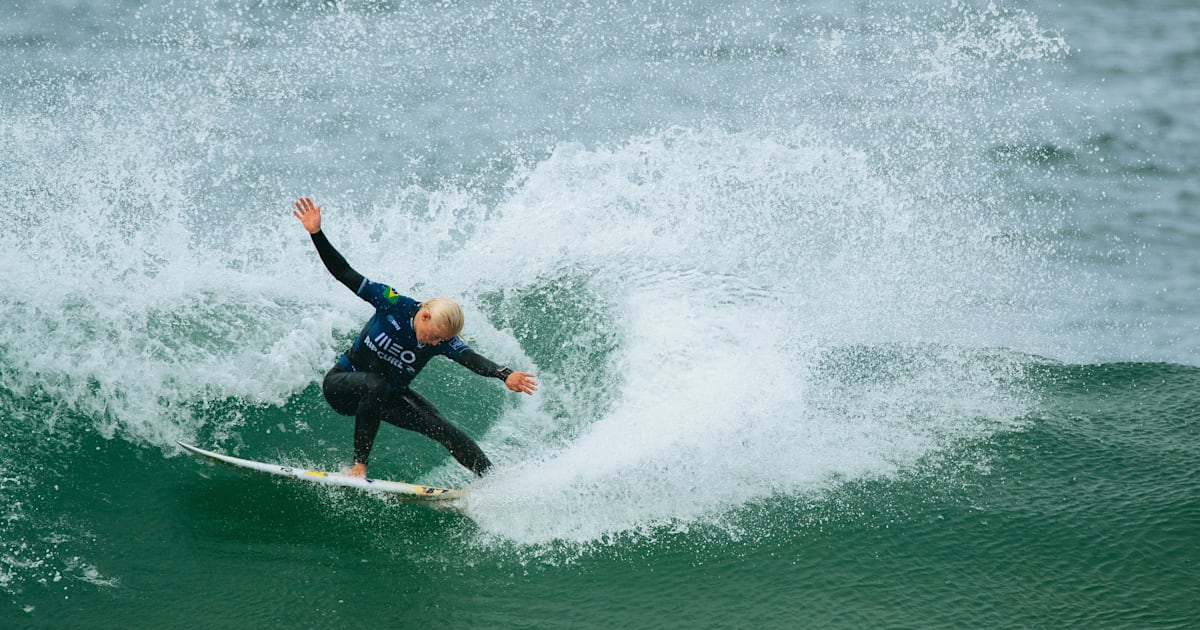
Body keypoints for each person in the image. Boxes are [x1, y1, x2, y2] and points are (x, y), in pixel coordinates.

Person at [292, 197, 537, 479]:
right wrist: (316, 234)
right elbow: (344, 273)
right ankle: (359, 465)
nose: (433, 345)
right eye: (433, 338)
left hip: (386, 395)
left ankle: (495, 481)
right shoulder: (391, 302)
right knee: (377, 384)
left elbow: (469, 357)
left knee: (442, 427)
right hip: (342, 385)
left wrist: (503, 373)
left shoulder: (441, 338)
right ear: (424, 317)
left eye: (439, 342)